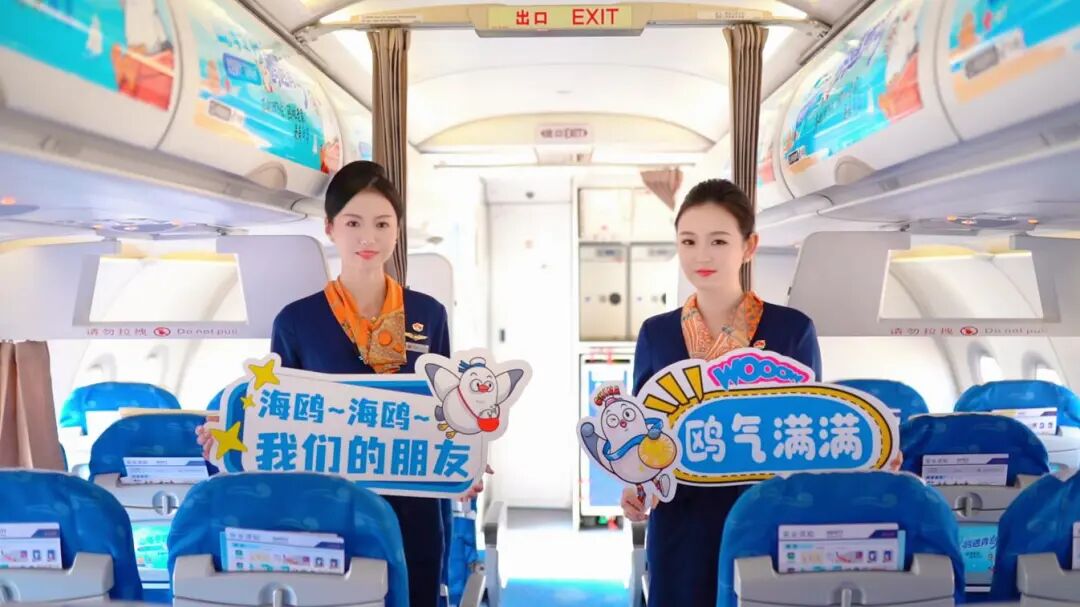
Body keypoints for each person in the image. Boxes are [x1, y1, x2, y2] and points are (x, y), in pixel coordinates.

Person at [196, 160, 485, 606]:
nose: (368, 237)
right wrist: (229, 435)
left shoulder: (428, 315)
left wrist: (469, 452)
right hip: (328, 509)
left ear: (397, 231)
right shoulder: (297, 321)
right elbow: (274, 415)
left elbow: (445, 409)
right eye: (353, 223)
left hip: (415, 509)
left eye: (382, 223)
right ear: (330, 227)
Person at [621, 178, 822, 607]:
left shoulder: (791, 331)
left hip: (764, 517)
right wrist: (635, 485)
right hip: (681, 521)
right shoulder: (657, 333)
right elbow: (642, 432)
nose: (702, 255)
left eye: (718, 241)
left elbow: (811, 434)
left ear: (749, 246)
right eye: (688, 241)